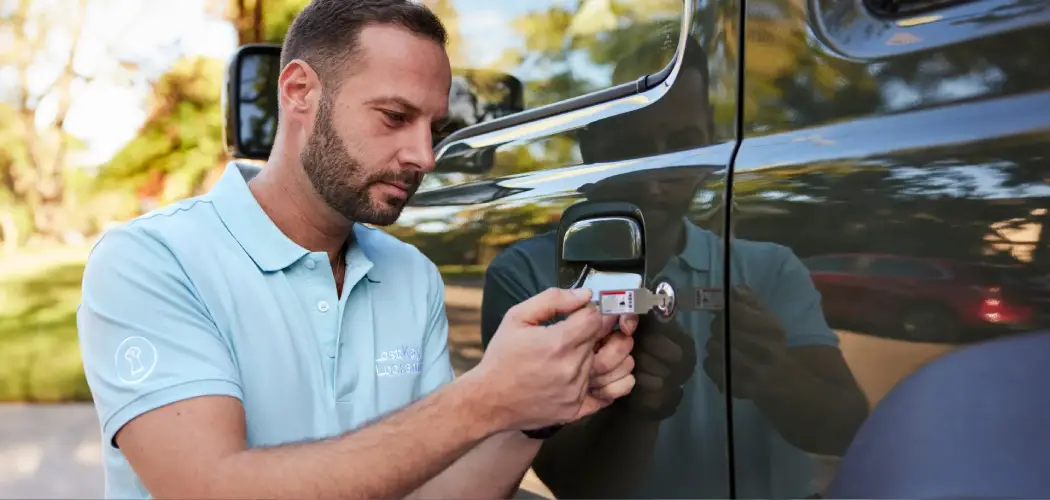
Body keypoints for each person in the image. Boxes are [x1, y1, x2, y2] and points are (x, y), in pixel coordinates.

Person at [75, 1, 639, 499]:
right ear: (300, 91)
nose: (425, 156)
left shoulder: (412, 275)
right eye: (395, 117)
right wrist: (484, 398)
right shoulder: (151, 262)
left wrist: (531, 413)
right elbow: (210, 489)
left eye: (434, 127)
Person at [480, 32, 869, 499]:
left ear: (710, 151)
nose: (656, 179)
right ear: (592, 151)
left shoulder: (773, 269)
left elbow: (847, 432)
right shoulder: (526, 278)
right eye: (633, 147)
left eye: (684, 145)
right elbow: (571, 484)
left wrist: (777, 376)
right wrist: (637, 407)